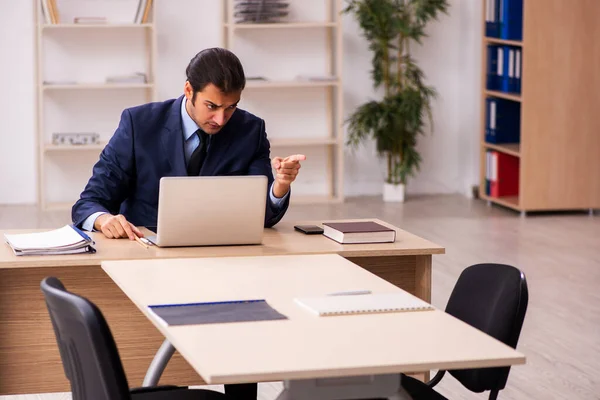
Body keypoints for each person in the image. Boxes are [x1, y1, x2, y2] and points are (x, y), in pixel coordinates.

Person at [72, 47, 305, 245]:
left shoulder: (250, 130)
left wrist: (280, 186)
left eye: (231, 107)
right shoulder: (139, 125)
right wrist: (103, 219)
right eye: (211, 106)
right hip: (146, 252)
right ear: (188, 91)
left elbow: (260, 217)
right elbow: (89, 202)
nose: (221, 119)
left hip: (223, 254)